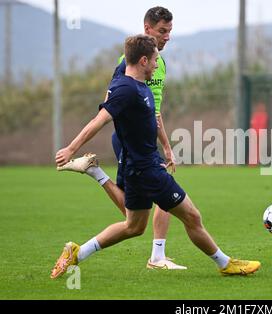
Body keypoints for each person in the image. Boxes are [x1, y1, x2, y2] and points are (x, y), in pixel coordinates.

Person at [51, 34, 261, 279]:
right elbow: (99, 120)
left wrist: (166, 145)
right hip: (147, 169)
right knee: (192, 216)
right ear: (142, 61)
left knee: (134, 226)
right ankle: (226, 264)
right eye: (154, 60)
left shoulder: (140, 86)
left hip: (138, 168)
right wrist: (71, 148)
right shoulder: (126, 90)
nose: (156, 65)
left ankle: (77, 253)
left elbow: (153, 119)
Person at [58, 7, 185, 270]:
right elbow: (111, 103)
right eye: (163, 31)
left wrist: (166, 145)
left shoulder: (159, 63)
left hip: (147, 139)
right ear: (147, 29)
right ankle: (158, 256)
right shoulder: (130, 62)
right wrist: (73, 146)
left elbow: (155, 111)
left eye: (170, 32)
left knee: (135, 220)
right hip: (132, 141)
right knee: (142, 211)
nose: (167, 37)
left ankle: (155, 255)